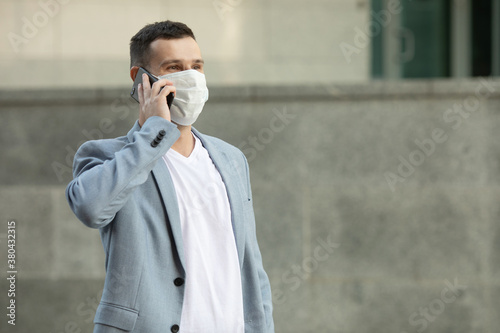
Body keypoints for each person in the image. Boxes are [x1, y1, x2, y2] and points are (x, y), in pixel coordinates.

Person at [65, 20, 274, 333]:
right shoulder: (109, 155)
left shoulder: (231, 159)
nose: (190, 77)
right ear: (141, 80)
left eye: (197, 66)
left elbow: (251, 264)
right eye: (174, 67)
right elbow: (92, 208)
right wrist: (153, 134)